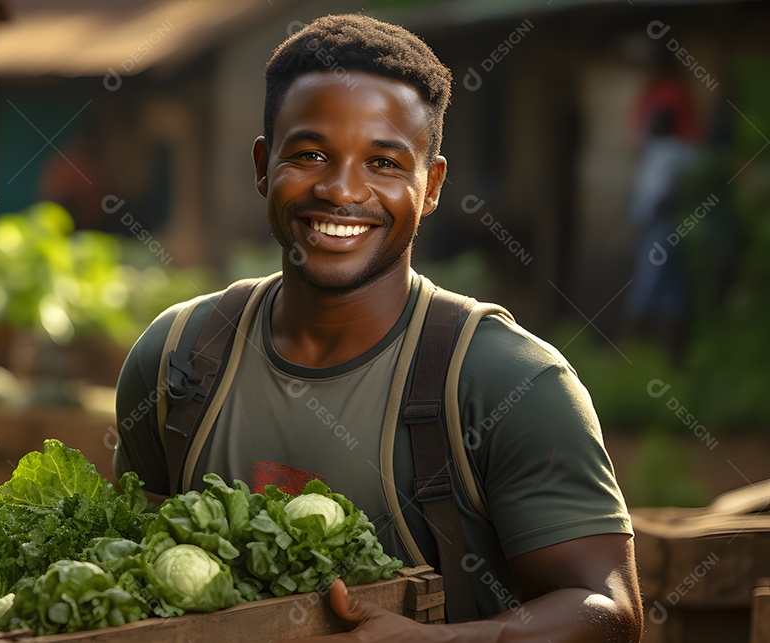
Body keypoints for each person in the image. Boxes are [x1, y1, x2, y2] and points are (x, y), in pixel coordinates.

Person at [113, 14, 642, 640]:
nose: (341, 190)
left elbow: (608, 611)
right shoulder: (178, 358)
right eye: (310, 155)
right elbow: (132, 578)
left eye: (384, 163)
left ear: (432, 184)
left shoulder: (506, 382)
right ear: (263, 166)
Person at [625, 108, 701, 364]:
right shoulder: (680, 151)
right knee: (671, 294)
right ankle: (670, 362)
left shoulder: (662, 153)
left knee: (646, 289)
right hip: (670, 227)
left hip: (659, 227)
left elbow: (655, 194)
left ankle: (627, 353)